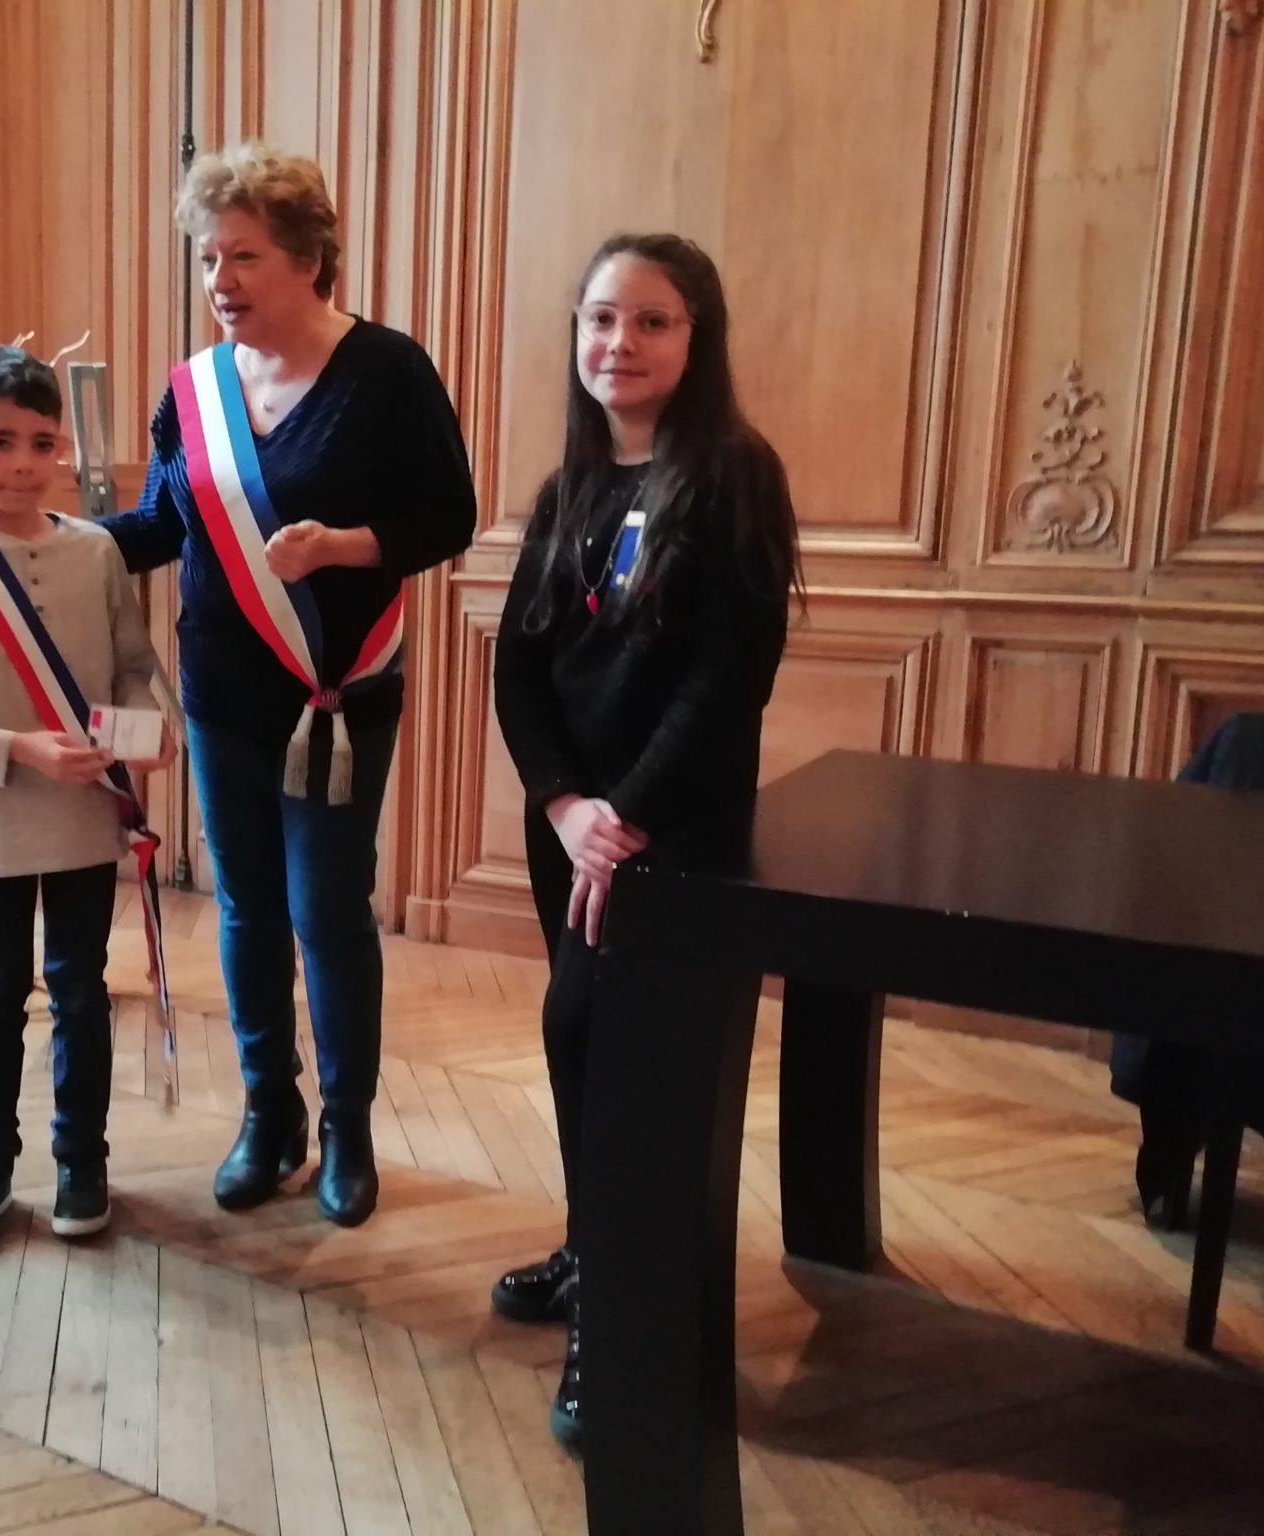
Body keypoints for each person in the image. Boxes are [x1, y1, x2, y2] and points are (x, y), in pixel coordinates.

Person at [102, 143, 477, 1227]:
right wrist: (41, 544)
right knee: (246, 905)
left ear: (310, 258)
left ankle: (344, 1127)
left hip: (339, 692)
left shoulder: (387, 371)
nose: (219, 279)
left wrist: (345, 547)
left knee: (324, 906)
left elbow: (445, 518)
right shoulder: (194, 391)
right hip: (225, 686)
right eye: (208, 257)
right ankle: (266, 1114)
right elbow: (164, 524)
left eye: (244, 256)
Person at [489, 233, 800, 1446]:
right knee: (576, 1044)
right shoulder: (570, 483)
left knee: (609, 1052)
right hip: (568, 825)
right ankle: (589, 1246)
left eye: (649, 322)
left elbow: (726, 681)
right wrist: (565, 804)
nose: (616, 344)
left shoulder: (729, 472)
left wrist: (620, 819)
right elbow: (517, 660)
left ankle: (615, 1327)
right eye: (599, 320)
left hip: (667, 830)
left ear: (695, 335)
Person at [0, 344, 172, 1260]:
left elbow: (134, 668)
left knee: (84, 992)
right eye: (0, 440)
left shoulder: (95, 552)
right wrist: (18, 748)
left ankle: (80, 1162)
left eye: (40, 442)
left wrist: (147, 733)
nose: (21, 462)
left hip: (87, 815)